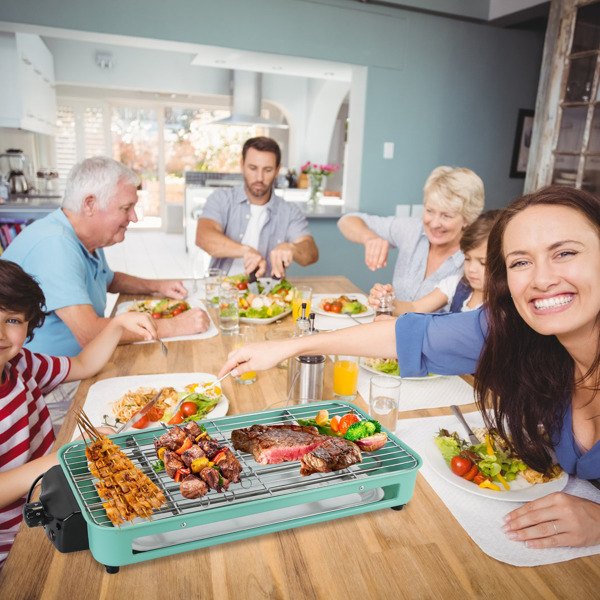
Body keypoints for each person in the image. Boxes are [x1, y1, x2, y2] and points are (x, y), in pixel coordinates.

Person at [219, 186, 600, 549]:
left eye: (565, 253)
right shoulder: (510, 329)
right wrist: (287, 348)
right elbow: (402, 335)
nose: (542, 278)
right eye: (521, 261)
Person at [0, 260, 157, 569]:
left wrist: (117, 325)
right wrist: (64, 455)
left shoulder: (21, 365)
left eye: (13, 320)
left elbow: (84, 365)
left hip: (57, 494)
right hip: (15, 543)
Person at [2, 156, 210, 357]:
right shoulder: (55, 245)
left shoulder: (87, 237)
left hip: (82, 364)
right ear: (90, 204)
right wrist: (176, 325)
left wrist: (158, 286)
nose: (134, 217)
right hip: (49, 382)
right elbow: (90, 333)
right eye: (126, 208)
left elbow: (109, 280)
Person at [338, 166, 485, 311]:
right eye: (429, 211)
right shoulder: (412, 229)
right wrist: (369, 238)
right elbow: (347, 220)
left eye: (446, 216)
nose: (434, 223)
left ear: (468, 219)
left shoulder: (473, 260)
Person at [195, 136, 319, 278]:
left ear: (277, 170)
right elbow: (203, 237)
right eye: (253, 168)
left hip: (266, 296)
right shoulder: (221, 198)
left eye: (267, 170)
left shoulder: (290, 211)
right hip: (221, 291)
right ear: (242, 165)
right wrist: (245, 251)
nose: (259, 178)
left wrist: (292, 248)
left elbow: (312, 254)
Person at [369, 210, 500, 315]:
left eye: (483, 263)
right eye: (467, 259)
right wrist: (389, 302)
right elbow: (414, 308)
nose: (471, 269)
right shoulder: (455, 285)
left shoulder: (504, 307)